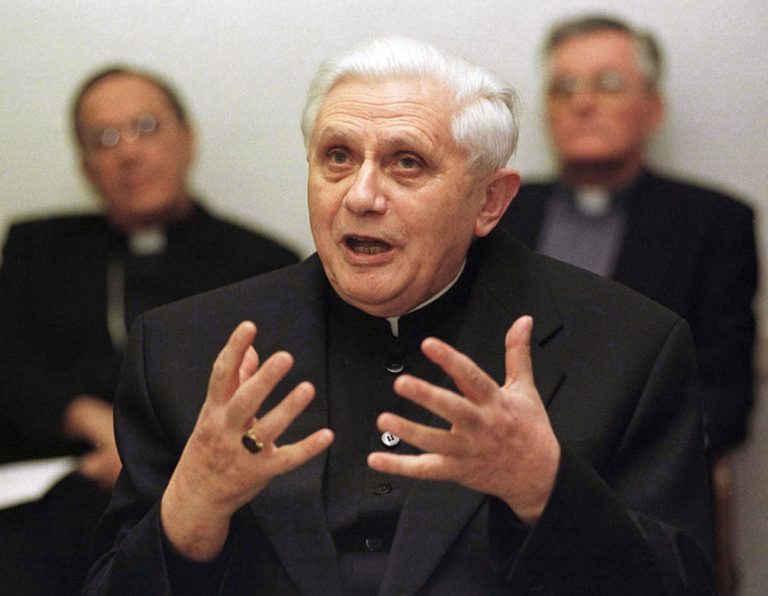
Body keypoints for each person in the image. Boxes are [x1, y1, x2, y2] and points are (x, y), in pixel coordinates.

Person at [84, 37, 714, 595]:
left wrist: (546, 490)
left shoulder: (628, 346)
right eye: (337, 156)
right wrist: (190, 513)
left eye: (406, 162)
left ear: (490, 201)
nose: (360, 195)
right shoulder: (183, 349)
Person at [0, 65, 299, 595]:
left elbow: (273, 401)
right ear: (86, 165)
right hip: (56, 492)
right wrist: (88, 417)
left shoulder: (262, 262)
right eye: (104, 138)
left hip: (201, 497)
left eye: (146, 126)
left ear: (188, 139)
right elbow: (10, 364)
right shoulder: (37, 250)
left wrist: (140, 452)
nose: (129, 153)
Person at [500, 14, 758, 459]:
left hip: (641, 478)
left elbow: (724, 399)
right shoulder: (497, 212)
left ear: (653, 109)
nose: (582, 103)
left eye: (609, 84)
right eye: (564, 88)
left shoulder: (714, 223)